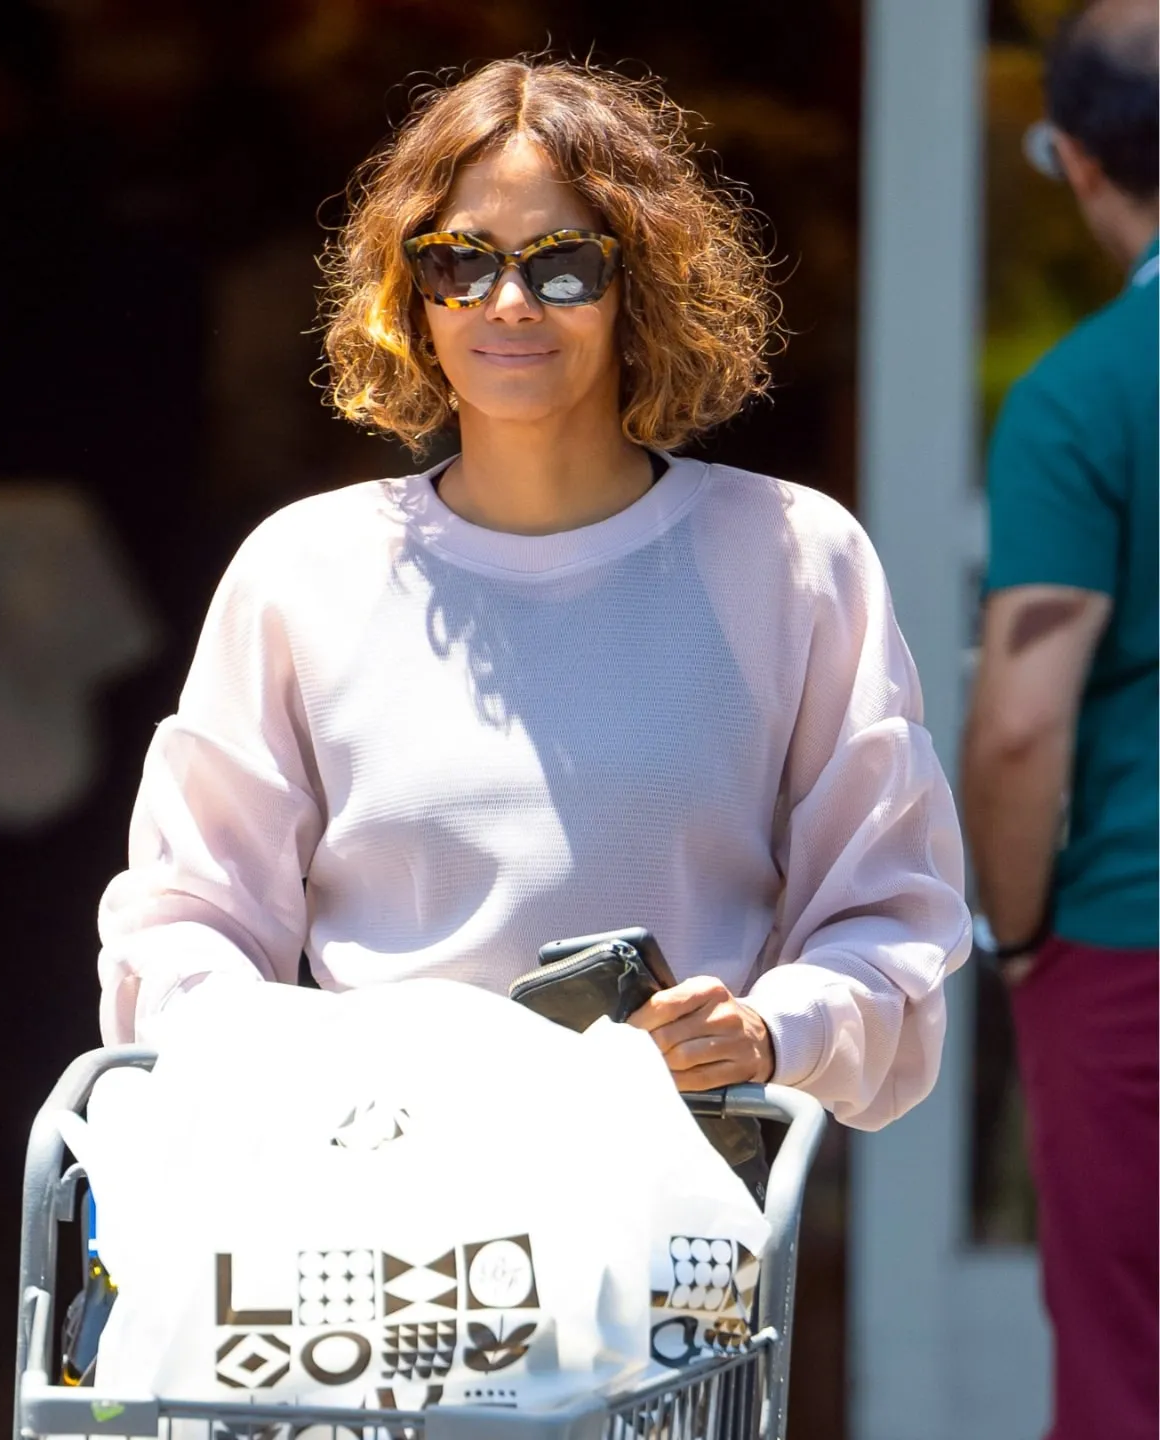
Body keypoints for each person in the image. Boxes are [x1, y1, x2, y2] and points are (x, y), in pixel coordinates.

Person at [97, 60, 969, 1141]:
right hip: (356, 1205)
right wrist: (272, 1061)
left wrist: (764, 1031)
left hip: (672, 1208)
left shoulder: (792, 557)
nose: (506, 302)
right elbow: (186, 920)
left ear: (636, 282)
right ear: (407, 288)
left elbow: (889, 917)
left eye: (562, 264)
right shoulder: (300, 570)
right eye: (458, 261)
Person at [962, 4, 1157, 1437]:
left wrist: (1016, 933)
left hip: (1137, 944)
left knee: (1130, 1372)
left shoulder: (1085, 394)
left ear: (1079, 163)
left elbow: (1025, 720)